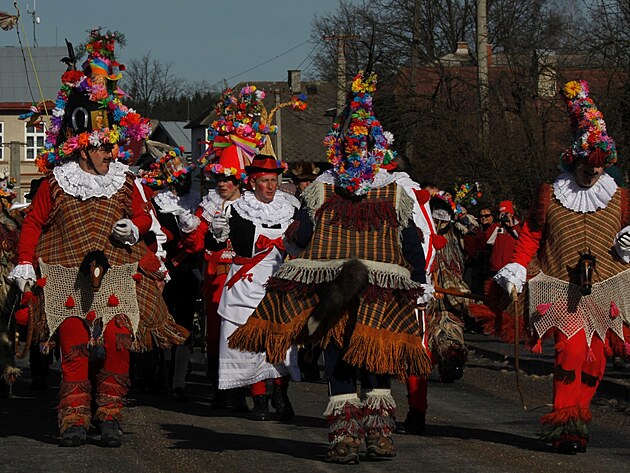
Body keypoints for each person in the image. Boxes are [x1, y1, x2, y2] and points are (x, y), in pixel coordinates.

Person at [228, 72, 432, 463]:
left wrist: (420, 282)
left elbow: (410, 241)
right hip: (338, 289)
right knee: (345, 359)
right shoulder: (330, 190)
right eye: (350, 148)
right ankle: (352, 434)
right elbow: (304, 238)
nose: (356, 155)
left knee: (370, 360)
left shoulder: (390, 192)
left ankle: (369, 434)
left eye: (362, 148)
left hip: (379, 291)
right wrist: (296, 233)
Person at [8, 29, 187, 448]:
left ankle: (108, 416)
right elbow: (32, 224)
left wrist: (136, 228)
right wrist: (24, 263)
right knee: (73, 348)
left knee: (118, 344)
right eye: (106, 147)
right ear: (84, 148)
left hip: (118, 275)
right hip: (65, 273)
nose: (113, 153)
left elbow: (144, 218)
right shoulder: (56, 182)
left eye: (114, 147)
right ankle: (72, 420)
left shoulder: (125, 181)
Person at [494, 80, 630, 454]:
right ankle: (564, 425)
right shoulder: (550, 195)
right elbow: (531, 236)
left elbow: (627, 234)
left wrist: (628, 244)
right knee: (569, 355)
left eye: (600, 168)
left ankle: (578, 419)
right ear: (576, 160)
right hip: (560, 289)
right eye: (589, 167)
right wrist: (517, 268)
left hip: (605, 290)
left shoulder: (619, 198)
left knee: (596, 361)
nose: (594, 175)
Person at [209, 153, 300, 421]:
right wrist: (216, 232)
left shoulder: (291, 208)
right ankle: (259, 398)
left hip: (280, 282)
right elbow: (214, 246)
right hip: (246, 284)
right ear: (252, 182)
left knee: (282, 340)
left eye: (274, 180)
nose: (271, 186)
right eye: (265, 181)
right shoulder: (236, 209)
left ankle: (281, 396)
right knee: (250, 342)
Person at [177, 142, 249, 409]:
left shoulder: (250, 206)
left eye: (228, 179)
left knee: (242, 333)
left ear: (239, 181)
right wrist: (189, 230)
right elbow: (194, 244)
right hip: (216, 277)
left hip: (245, 278)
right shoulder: (207, 207)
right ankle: (220, 387)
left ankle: (243, 387)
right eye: (219, 179)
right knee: (217, 334)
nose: (222, 184)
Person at [138, 147, 199, 402]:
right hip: (163, 270)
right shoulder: (158, 202)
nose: (181, 180)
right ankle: (157, 375)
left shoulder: (196, 201)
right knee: (160, 321)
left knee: (184, 323)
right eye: (176, 176)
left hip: (187, 270)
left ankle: (179, 381)